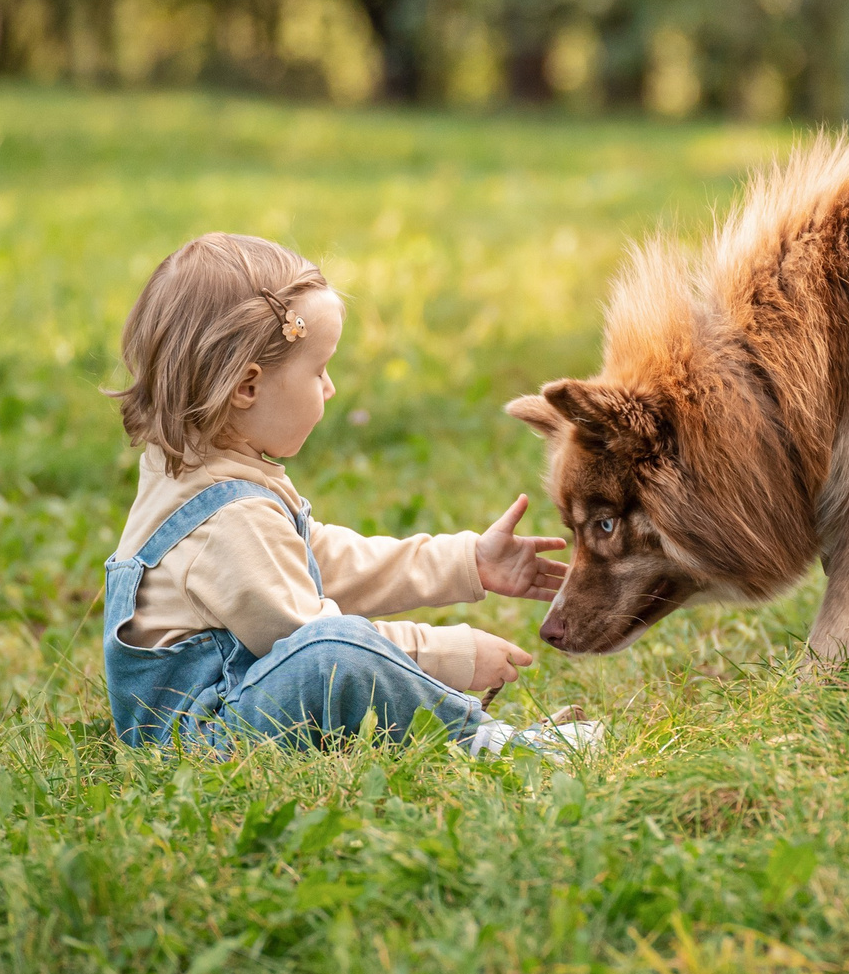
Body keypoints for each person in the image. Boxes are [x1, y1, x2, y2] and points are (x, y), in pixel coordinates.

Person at [101, 232, 592, 754]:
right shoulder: (228, 520)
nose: (331, 388)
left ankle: (459, 736)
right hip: (208, 741)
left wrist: (467, 561)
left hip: (233, 714)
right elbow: (318, 639)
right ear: (247, 386)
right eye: (318, 370)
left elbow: (320, 561)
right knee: (335, 656)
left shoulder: (194, 472)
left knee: (334, 656)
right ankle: (492, 745)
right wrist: (444, 652)